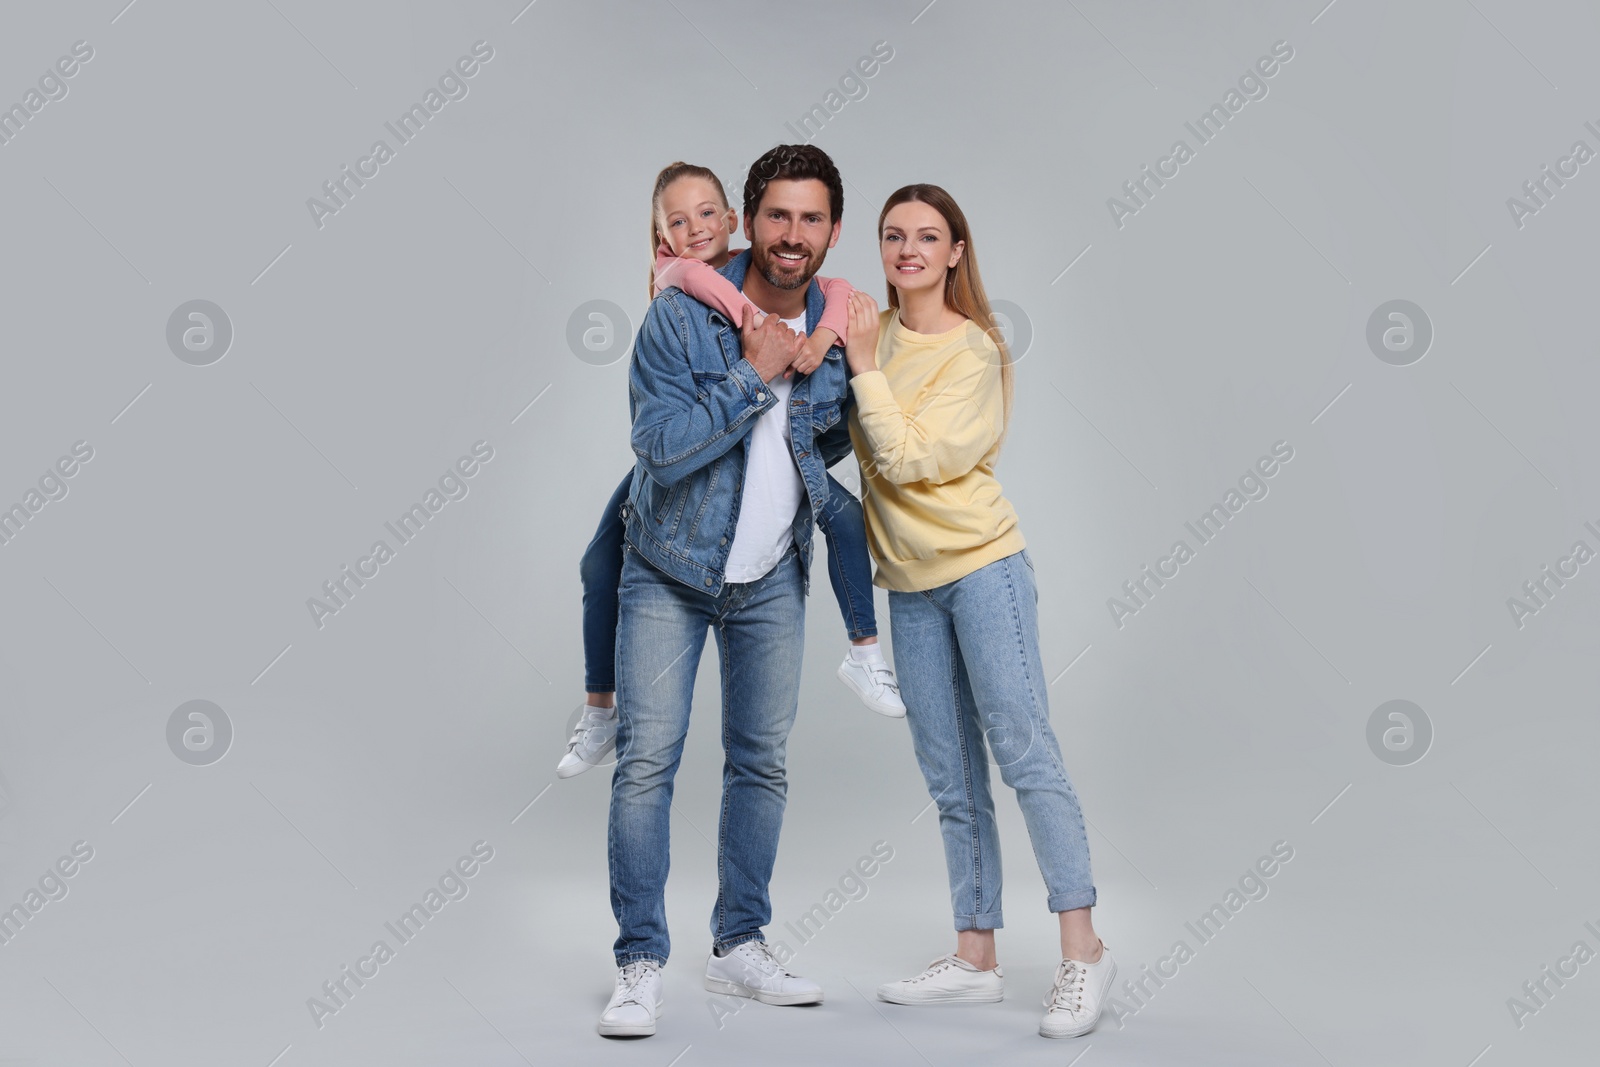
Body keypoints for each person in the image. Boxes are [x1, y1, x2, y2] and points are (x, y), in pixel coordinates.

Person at [842, 183, 1116, 1039]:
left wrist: (858, 369)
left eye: (928, 236)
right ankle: (975, 957)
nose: (909, 250)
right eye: (894, 236)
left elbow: (910, 458)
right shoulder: (872, 334)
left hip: (983, 570)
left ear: (956, 251)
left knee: (1025, 751)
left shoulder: (977, 350)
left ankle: (1085, 952)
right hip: (910, 586)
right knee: (950, 774)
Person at [598, 144, 859, 1039]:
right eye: (777, 216)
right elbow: (660, 447)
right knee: (647, 764)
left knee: (762, 763)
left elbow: (822, 445)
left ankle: (738, 941)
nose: (793, 235)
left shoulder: (836, 322)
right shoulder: (681, 316)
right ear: (751, 220)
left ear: (831, 230)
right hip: (668, 569)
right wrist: (755, 374)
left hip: (771, 580)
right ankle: (639, 961)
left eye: (812, 218)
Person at [559, 162, 903, 781]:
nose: (696, 230)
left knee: (843, 517)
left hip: (769, 568)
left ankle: (865, 650)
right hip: (671, 535)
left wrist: (826, 338)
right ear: (663, 236)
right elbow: (663, 451)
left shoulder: (777, 266)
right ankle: (599, 707)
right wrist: (759, 360)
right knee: (603, 558)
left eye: (706, 215)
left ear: (730, 220)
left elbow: (830, 423)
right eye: (678, 222)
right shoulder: (683, 287)